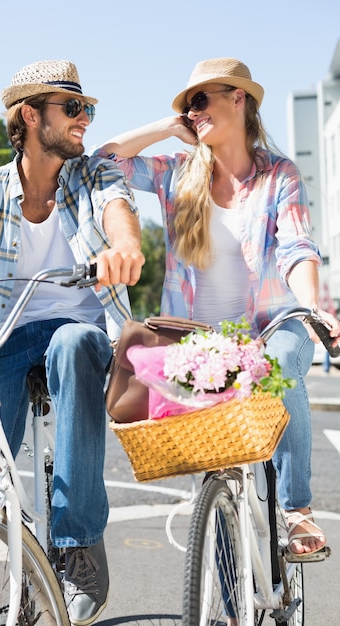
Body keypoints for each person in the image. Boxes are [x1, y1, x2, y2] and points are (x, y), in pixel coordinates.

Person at [0, 59, 144, 626]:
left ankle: (77, 547)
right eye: (72, 109)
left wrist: (123, 250)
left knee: (72, 345)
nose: (84, 121)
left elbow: (120, 215)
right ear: (29, 115)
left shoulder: (93, 177)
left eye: (87, 109)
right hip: (8, 335)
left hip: (79, 333)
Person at [94, 57, 340, 562]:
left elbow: (296, 247)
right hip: (196, 341)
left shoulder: (279, 176)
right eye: (189, 105)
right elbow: (102, 160)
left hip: (268, 326)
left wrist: (313, 308)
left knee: (283, 359)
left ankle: (296, 510)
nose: (195, 110)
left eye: (203, 99)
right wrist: (168, 126)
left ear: (239, 98)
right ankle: (227, 608)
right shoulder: (180, 175)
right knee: (218, 475)